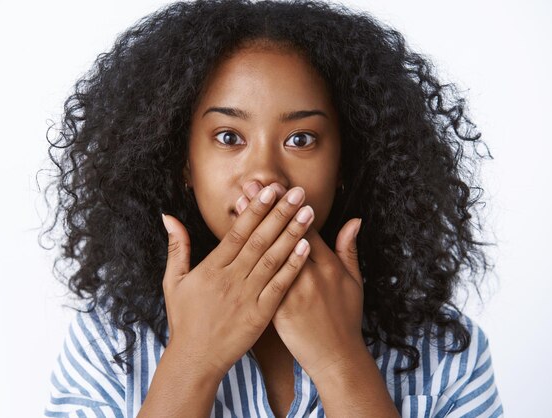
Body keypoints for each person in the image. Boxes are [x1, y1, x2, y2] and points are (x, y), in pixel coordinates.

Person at [41, 0, 503, 416]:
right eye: (229, 137)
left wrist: (341, 359)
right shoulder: (106, 343)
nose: (264, 175)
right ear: (184, 163)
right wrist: (193, 359)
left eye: (300, 139)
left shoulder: (445, 351)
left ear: (345, 162)